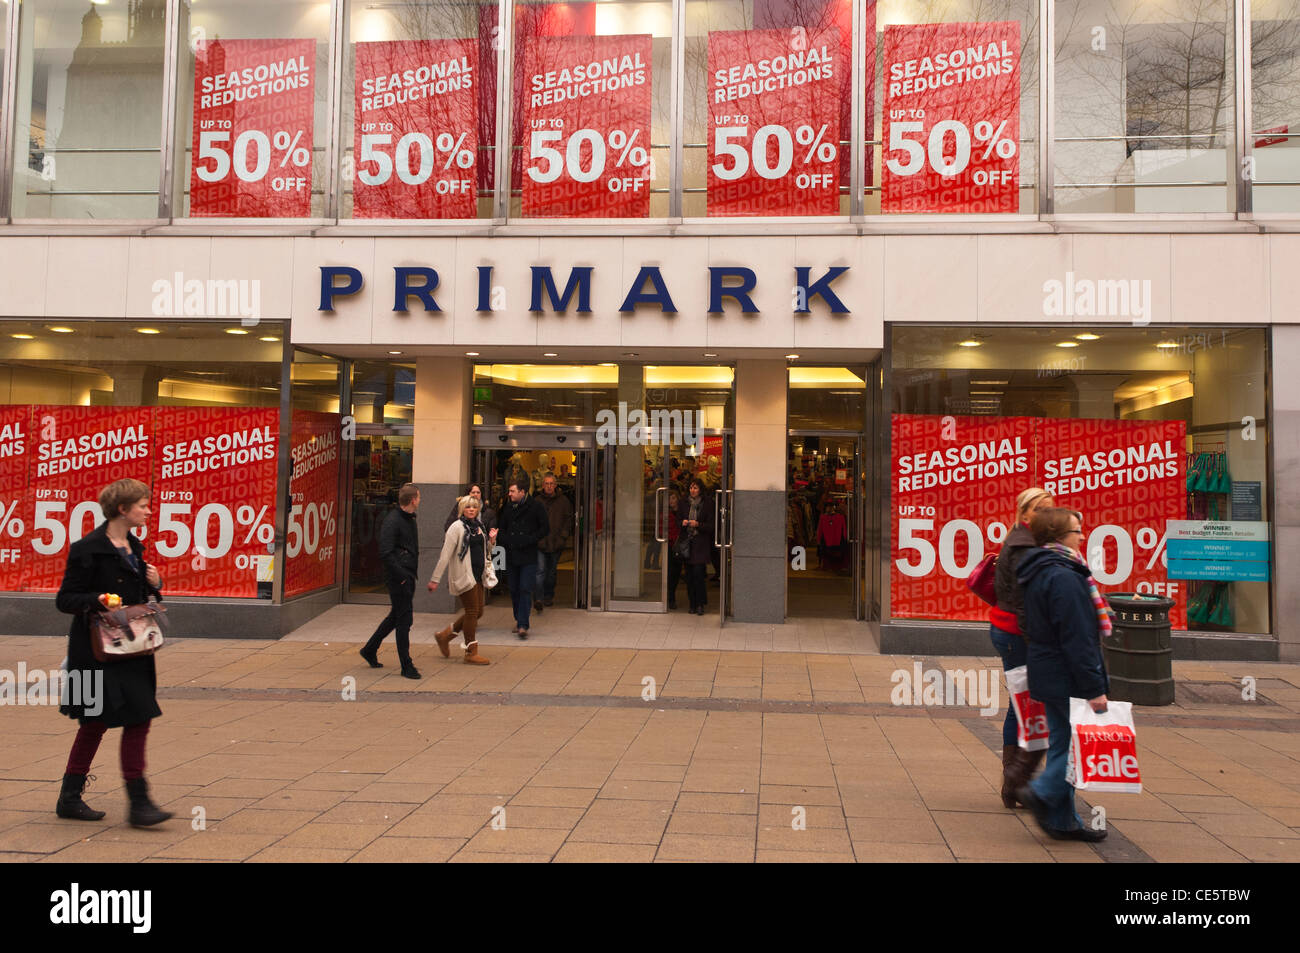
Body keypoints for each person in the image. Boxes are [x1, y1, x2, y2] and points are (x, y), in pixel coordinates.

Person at [54, 478, 172, 827]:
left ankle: (139, 801)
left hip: (132, 648)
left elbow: (142, 597)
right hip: (96, 652)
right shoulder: (87, 548)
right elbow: (65, 600)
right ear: (123, 509)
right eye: (143, 505)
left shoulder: (134, 547)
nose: (149, 510)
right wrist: (98, 599)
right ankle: (70, 797)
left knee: (140, 716)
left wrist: (155, 584)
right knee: (94, 722)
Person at [1016, 508, 1111, 842]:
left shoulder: (1040, 569)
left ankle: (1062, 821)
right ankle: (1041, 792)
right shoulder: (1065, 576)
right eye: (1077, 531)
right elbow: (1078, 638)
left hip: (1047, 669)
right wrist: (1094, 688)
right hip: (1065, 674)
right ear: (1059, 536)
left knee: (1062, 741)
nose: (1082, 536)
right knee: (1071, 748)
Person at [990, 486, 1054, 808]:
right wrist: (1040, 644)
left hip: (1013, 632)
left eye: (1050, 508)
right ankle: (1015, 781)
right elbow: (1024, 604)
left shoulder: (1026, 540)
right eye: (1040, 508)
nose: (1047, 513)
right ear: (1024, 513)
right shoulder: (1024, 546)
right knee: (1022, 705)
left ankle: (1016, 780)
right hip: (1017, 635)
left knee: (1022, 704)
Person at [360, 482, 422, 679]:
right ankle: (406, 665)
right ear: (413, 500)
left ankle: (370, 649)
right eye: (419, 497)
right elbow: (386, 552)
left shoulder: (408, 518)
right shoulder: (393, 520)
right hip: (399, 578)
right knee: (404, 620)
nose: (420, 500)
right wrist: (402, 576)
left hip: (406, 575)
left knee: (395, 617)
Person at [429, 496, 495, 665]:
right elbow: (445, 555)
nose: (471, 510)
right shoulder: (456, 527)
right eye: (468, 507)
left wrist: (492, 541)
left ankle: (444, 636)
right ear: (461, 509)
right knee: (472, 611)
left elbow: (484, 549)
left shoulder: (479, 526)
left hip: (478, 575)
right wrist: (435, 579)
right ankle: (471, 652)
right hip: (464, 575)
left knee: (478, 612)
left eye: (474, 507)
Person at [497, 477, 548, 638]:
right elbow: (501, 527)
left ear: (522, 492)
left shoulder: (536, 507)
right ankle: (518, 618)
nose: (509, 494)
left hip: (528, 554)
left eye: (512, 491)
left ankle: (522, 624)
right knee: (513, 589)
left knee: (525, 588)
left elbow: (545, 528)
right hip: (512, 554)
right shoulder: (507, 507)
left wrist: (530, 539)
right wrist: (505, 540)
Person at [533, 474, 572, 613]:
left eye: (551, 483)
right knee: (540, 571)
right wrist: (536, 538)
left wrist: (563, 537)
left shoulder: (563, 501)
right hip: (540, 543)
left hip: (556, 542)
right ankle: (538, 598)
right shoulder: (537, 501)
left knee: (551, 572)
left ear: (555, 485)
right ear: (543, 485)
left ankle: (549, 595)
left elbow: (568, 520)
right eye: (546, 483)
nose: (549, 486)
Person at [677, 478, 715, 615]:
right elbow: (677, 521)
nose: (692, 490)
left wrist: (698, 524)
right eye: (691, 488)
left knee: (699, 574)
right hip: (687, 544)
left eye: (695, 488)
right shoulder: (683, 503)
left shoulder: (708, 503)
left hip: (701, 544)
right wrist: (683, 522)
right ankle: (692, 603)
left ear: (700, 489)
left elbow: (711, 526)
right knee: (689, 576)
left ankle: (700, 604)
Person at [665, 488, 683, 610]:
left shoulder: (683, 512)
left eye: (673, 498)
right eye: (669, 498)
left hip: (680, 546)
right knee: (670, 573)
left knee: (676, 574)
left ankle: (671, 597)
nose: (671, 501)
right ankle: (670, 598)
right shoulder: (665, 513)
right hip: (669, 545)